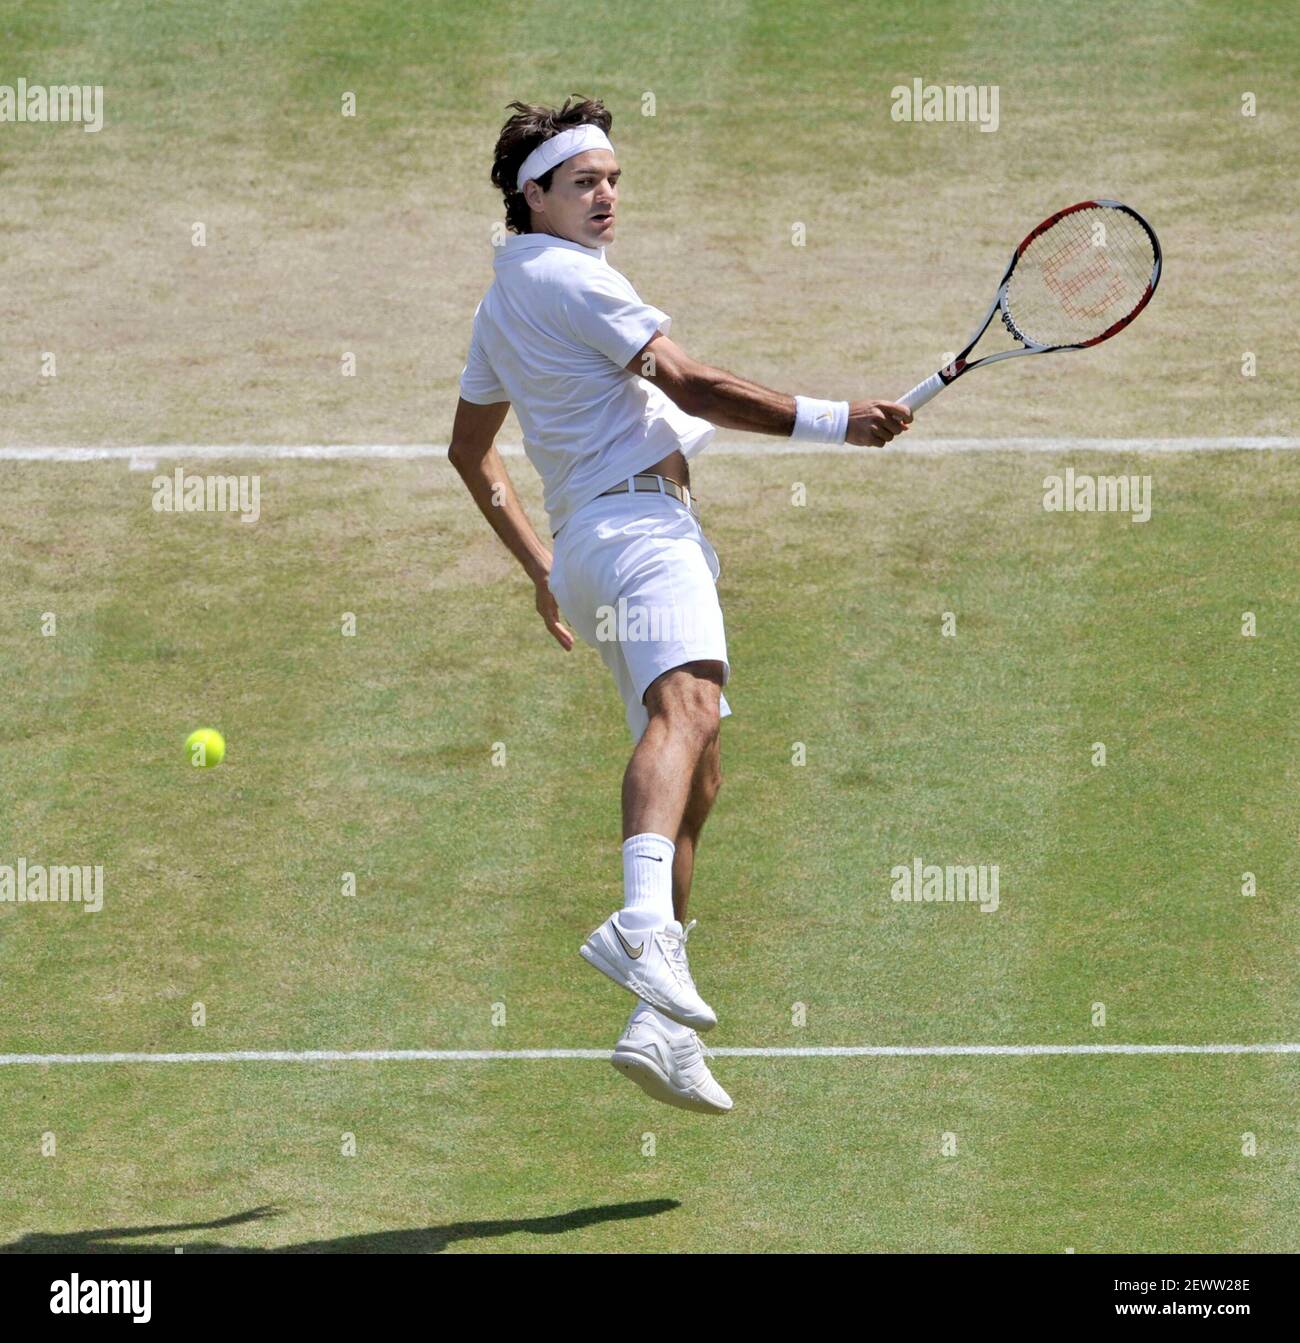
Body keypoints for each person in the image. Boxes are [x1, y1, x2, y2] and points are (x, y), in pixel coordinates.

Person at [449, 95, 911, 1114]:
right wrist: (837, 423)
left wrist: (540, 566)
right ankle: (640, 927)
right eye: (584, 181)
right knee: (687, 712)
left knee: (697, 774)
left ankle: (657, 1025)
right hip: (640, 532)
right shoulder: (574, 281)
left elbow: (468, 449)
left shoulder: (504, 299)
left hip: (593, 546)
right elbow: (692, 385)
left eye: (612, 178)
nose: (606, 194)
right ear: (534, 197)